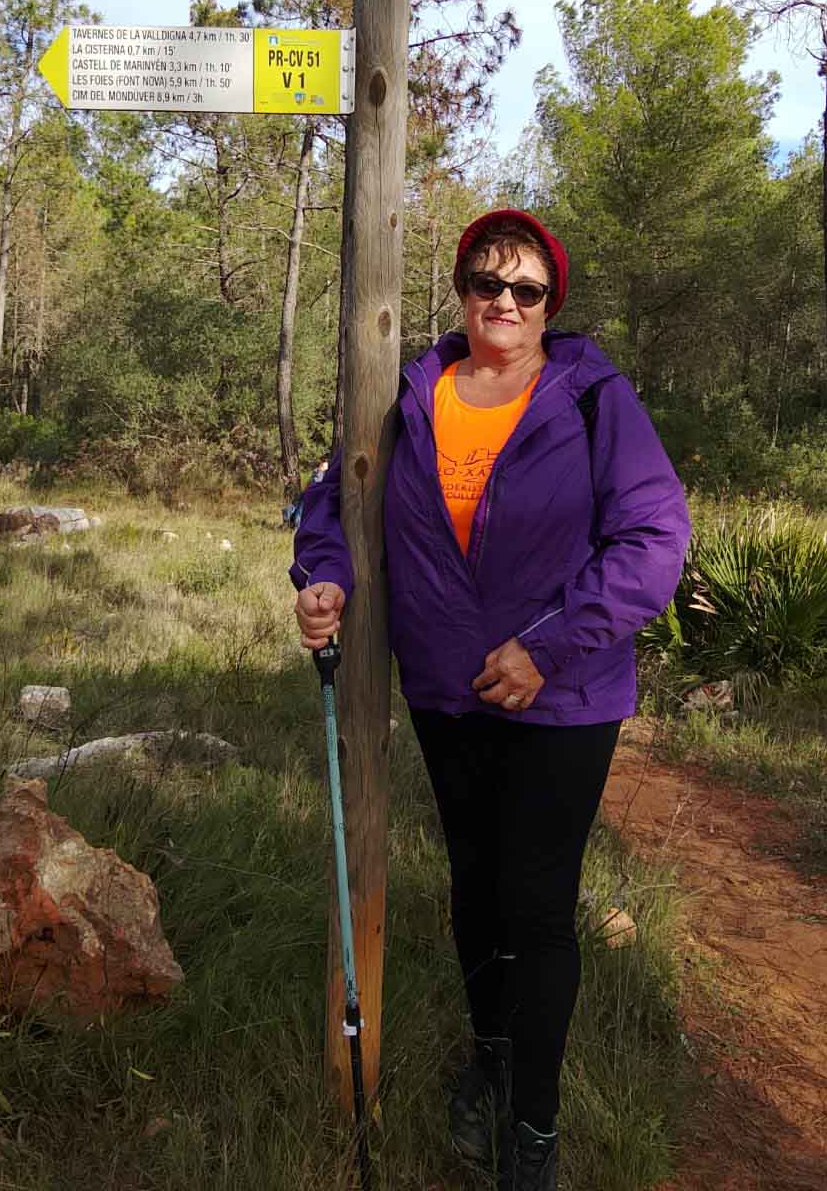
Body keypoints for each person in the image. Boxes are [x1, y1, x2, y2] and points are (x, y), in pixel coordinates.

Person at [291, 210, 690, 1190]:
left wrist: (551, 647)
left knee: (539, 903)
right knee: (475, 881)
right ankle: (491, 1058)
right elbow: (330, 497)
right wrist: (324, 575)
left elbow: (653, 540)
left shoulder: (592, 397)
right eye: (485, 281)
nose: (502, 302)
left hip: (566, 696)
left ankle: (536, 1132)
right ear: (461, 288)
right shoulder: (411, 391)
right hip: (447, 690)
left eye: (525, 289)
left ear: (551, 305)